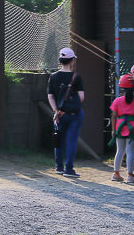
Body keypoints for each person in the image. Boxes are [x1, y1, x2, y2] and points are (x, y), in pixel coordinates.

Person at [47, 47, 85, 177]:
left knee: (59, 139)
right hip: (75, 114)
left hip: (59, 115)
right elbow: (81, 97)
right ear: (71, 61)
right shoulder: (76, 77)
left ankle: (59, 167)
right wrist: (72, 105)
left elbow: (50, 96)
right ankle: (69, 169)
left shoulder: (53, 77)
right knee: (71, 140)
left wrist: (57, 110)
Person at [110, 73, 134, 183]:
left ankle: (116, 173)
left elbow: (114, 116)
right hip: (132, 127)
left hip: (120, 126)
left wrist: (113, 129)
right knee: (130, 151)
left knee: (120, 150)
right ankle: (130, 175)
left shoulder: (117, 101)